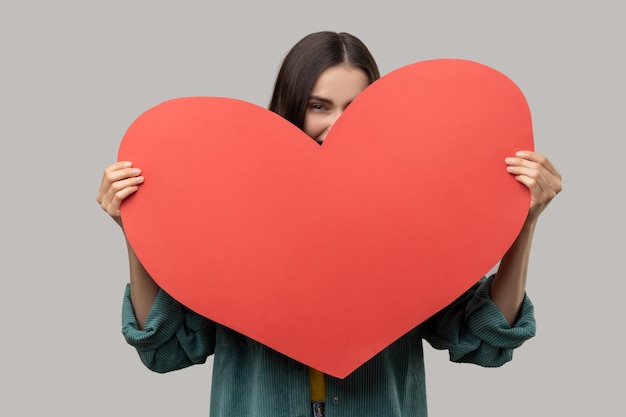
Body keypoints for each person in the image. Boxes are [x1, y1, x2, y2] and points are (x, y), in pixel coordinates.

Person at [97, 31, 563, 417]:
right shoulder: (229, 211)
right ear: (289, 110)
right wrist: (136, 229)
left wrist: (524, 223)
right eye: (319, 106)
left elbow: (484, 343)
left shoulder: (415, 214)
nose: (338, 124)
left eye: (356, 108)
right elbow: (166, 351)